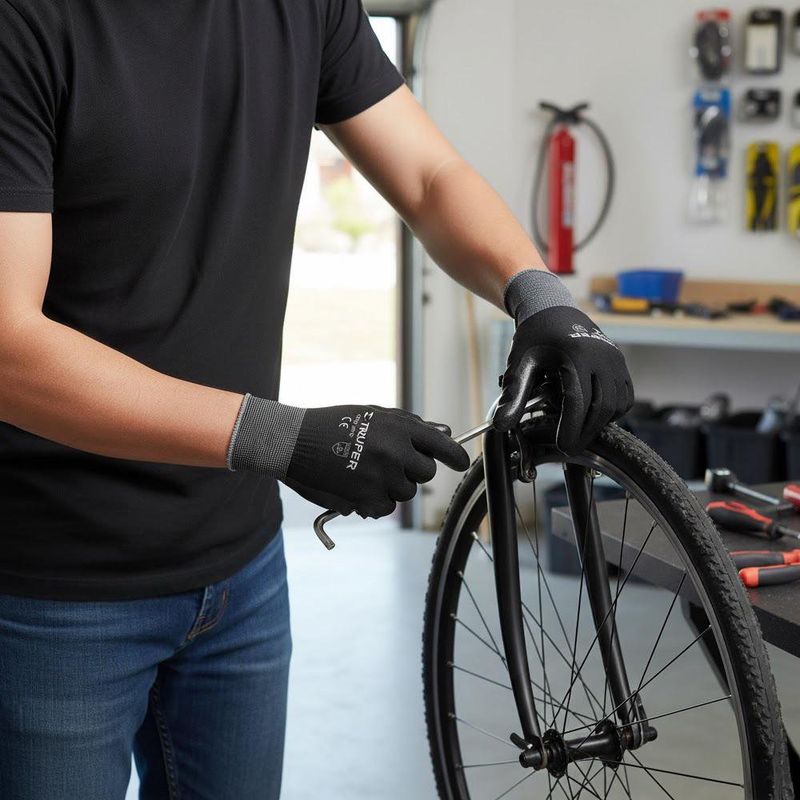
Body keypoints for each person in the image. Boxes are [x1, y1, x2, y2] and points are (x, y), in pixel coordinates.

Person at [0, 0, 633, 797]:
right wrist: (282, 438)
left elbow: (429, 177)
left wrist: (541, 298)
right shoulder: (26, 22)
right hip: (53, 585)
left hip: (240, 568)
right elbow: (8, 346)